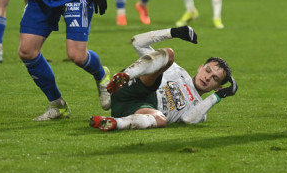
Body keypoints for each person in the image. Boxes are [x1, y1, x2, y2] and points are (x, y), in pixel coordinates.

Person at [88, 26, 237, 131]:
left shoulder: (201, 109)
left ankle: (114, 123)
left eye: (215, 78)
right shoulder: (178, 71)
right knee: (169, 55)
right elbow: (137, 42)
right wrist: (173, 32)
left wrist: (217, 97)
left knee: (161, 120)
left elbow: (187, 120)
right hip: (134, 88)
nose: (207, 77)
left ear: (217, 87)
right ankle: (126, 76)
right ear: (200, 67)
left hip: (137, 110)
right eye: (207, 70)